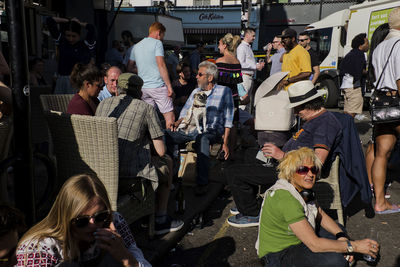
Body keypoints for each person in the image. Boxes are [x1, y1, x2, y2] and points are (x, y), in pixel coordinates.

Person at [228, 80, 341, 227]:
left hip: (292, 172)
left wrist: (282, 155)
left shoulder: (324, 124)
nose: (295, 112)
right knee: (248, 154)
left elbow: (317, 163)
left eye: (297, 108)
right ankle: (249, 203)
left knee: (233, 172)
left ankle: (252, 213)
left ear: (308, 105)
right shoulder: (316, 118)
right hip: (285, 162)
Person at [257, 147, 379, 267]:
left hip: (298, 240)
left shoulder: (303, 191)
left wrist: (342, 238)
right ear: (290, 172)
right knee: (335, 261)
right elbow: (314, 244)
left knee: (339, 229)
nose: (310, 174)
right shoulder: (285, 198)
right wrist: (353, 246)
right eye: (302, 169)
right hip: (278, 254)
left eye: (313, 169)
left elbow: (320, 214)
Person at [95, 73, 184, 235]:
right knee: (167, 163)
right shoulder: (146, 108)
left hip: (101, 175)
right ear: (140, 92)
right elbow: (161, 151)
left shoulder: (102, 105)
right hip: (128, 179)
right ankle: (160, 219)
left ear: (118, 89)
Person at [16, 174, 151, 266]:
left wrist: (128, 259)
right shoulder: (40, 248)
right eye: (82, 221)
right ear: (66, 218)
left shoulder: (113, 222)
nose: (93, 225)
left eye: (100, 216)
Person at [165, 61, 234, 195]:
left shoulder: (224, 91)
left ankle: (202, 182)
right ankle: (171, 175)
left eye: (200, 74)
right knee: (164, 135)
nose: (196, 77)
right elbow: (185, 112)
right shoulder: (196, 91)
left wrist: (225, 143)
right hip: (190, 129)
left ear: (210, 77)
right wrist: (177, 122)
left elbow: (229, 120)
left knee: (203, 139)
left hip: (211, 130)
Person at [370, 7, 400, 214]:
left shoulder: (380, 46)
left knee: (381, 153)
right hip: (397, 102)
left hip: (382, 105)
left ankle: (380, 202)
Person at [128, 22, 175, 129]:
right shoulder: (157, 43)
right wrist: (169, 86)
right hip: (158, 86)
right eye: (163, 36)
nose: (162, 39)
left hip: (143, 88)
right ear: (159, 33)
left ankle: (151, 144)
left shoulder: (136, 46)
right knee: (170, 118)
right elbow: (161, 65)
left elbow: (129, 68)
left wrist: (143, 69)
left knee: (149, 120)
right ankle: (169, 143)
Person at [365, 23, 390, 189]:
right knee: (379, 148)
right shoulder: (387, 52)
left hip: (378, 101)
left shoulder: (375, 53)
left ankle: (370, 182)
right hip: (386, 102)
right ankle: (372, 183)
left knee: (375, 145)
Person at [46, 17, 96, 94]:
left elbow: (91, 28)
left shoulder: (85, 44)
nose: (71, 39)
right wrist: (68, 21)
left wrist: (78, 23)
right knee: (59, 103)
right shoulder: (62, 41)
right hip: (61, 79)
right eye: (68, 35)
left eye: (74, 36)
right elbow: (50, 20)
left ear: (79, 35)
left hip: (78, 80)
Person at [339, 33, 369, 118]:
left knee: (347, 111)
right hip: (353, 87)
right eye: (367, 43)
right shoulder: (359, 54)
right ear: (360, 45)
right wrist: (368, 73)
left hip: (346, 86)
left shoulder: (350, 54)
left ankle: (346, 129)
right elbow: (358, 70)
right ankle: (345, 129)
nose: (368, 45)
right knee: (352, 111)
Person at [236, 28, 265, 109]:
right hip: (245, 77)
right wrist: (256, 66)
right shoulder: (242, 47)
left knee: (247, 103)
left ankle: (245, 119)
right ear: (247, 35)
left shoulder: (247, 47)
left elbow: (248, 62)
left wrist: (257, 65)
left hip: (248, 77)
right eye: (253, 36)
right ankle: (242, 120)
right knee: (244, 102)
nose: (254, 38)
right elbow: (240, 63)